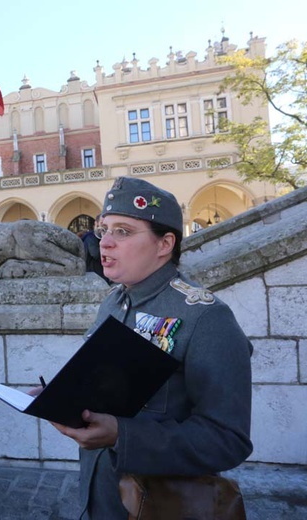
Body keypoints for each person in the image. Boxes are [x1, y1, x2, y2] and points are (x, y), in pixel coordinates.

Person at [46, 177, 253, 519]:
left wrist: (121, 435)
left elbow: (227, 439)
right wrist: (60, 398)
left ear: (164, 244)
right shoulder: (114, 301)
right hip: (102, 499)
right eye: (103, 230)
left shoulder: (206, 317)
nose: (104, 244)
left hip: (162, 505)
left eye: (123, 232)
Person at [81, 214, 109, 283]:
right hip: (94, 276)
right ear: (96, 223)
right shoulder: (90, 237)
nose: (103, 227)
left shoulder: (103, 237)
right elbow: (96, 254)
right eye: (102, 223)